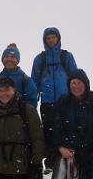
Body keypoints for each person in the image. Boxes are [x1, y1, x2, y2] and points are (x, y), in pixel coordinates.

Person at [30, 27, 79, 165]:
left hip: (66, 101)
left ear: (58, 39)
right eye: (48, 38)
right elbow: (34, 81)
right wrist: (33, 101)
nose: (51, 40)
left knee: (67, 130)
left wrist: (76, 97)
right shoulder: (40, 58)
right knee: (48, 130)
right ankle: (51, 163)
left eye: (53, 37)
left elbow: (75, 77)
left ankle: (67, 161)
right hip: (47, 101)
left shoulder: (66, 56)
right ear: (45, 40)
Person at [0, 43, 38, 112]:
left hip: (19, 120)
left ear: (17, 60)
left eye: (13, 57)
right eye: (6, 56)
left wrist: (17, 112)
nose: (9, 59)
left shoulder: (26, 80)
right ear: (3, 59)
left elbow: (32, 102)